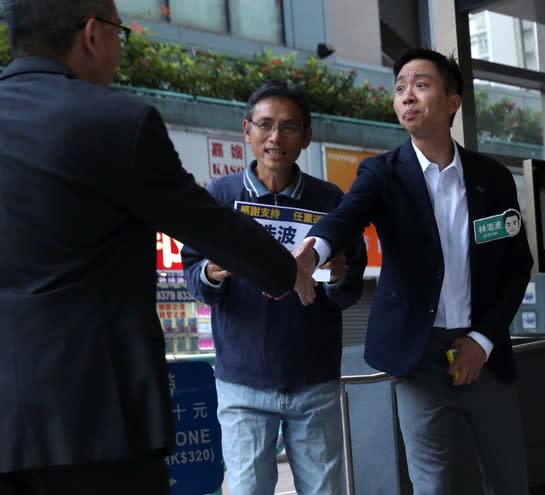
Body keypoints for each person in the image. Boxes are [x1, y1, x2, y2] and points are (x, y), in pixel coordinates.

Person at [0, 1, 317, 494]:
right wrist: (285, 270)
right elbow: (204, 222)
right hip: (96, 418)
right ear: (91, 34)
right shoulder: (114, 122)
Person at [299, 48, 534, 494]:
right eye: (400, 87)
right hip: (417, 352)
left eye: (421, 85)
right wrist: (311, 255)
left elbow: (517, 265)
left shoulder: (492, 178)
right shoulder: (382, 174)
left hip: (483, 348)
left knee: (507, 478)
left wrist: (482, 341)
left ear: (452, 102)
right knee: (432, 485)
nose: (408, 96)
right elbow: (347, 216)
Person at [181, 80, 366, 495]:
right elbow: (192, 270)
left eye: (288, 127)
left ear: (307, 136)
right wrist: (213, 271)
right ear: (246, 131)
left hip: (314, 382)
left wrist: (336, 274)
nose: (275, 138)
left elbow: (351, 285)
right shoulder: (219, 197)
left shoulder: (330, 201)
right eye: (264, 125)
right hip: (242, 385)